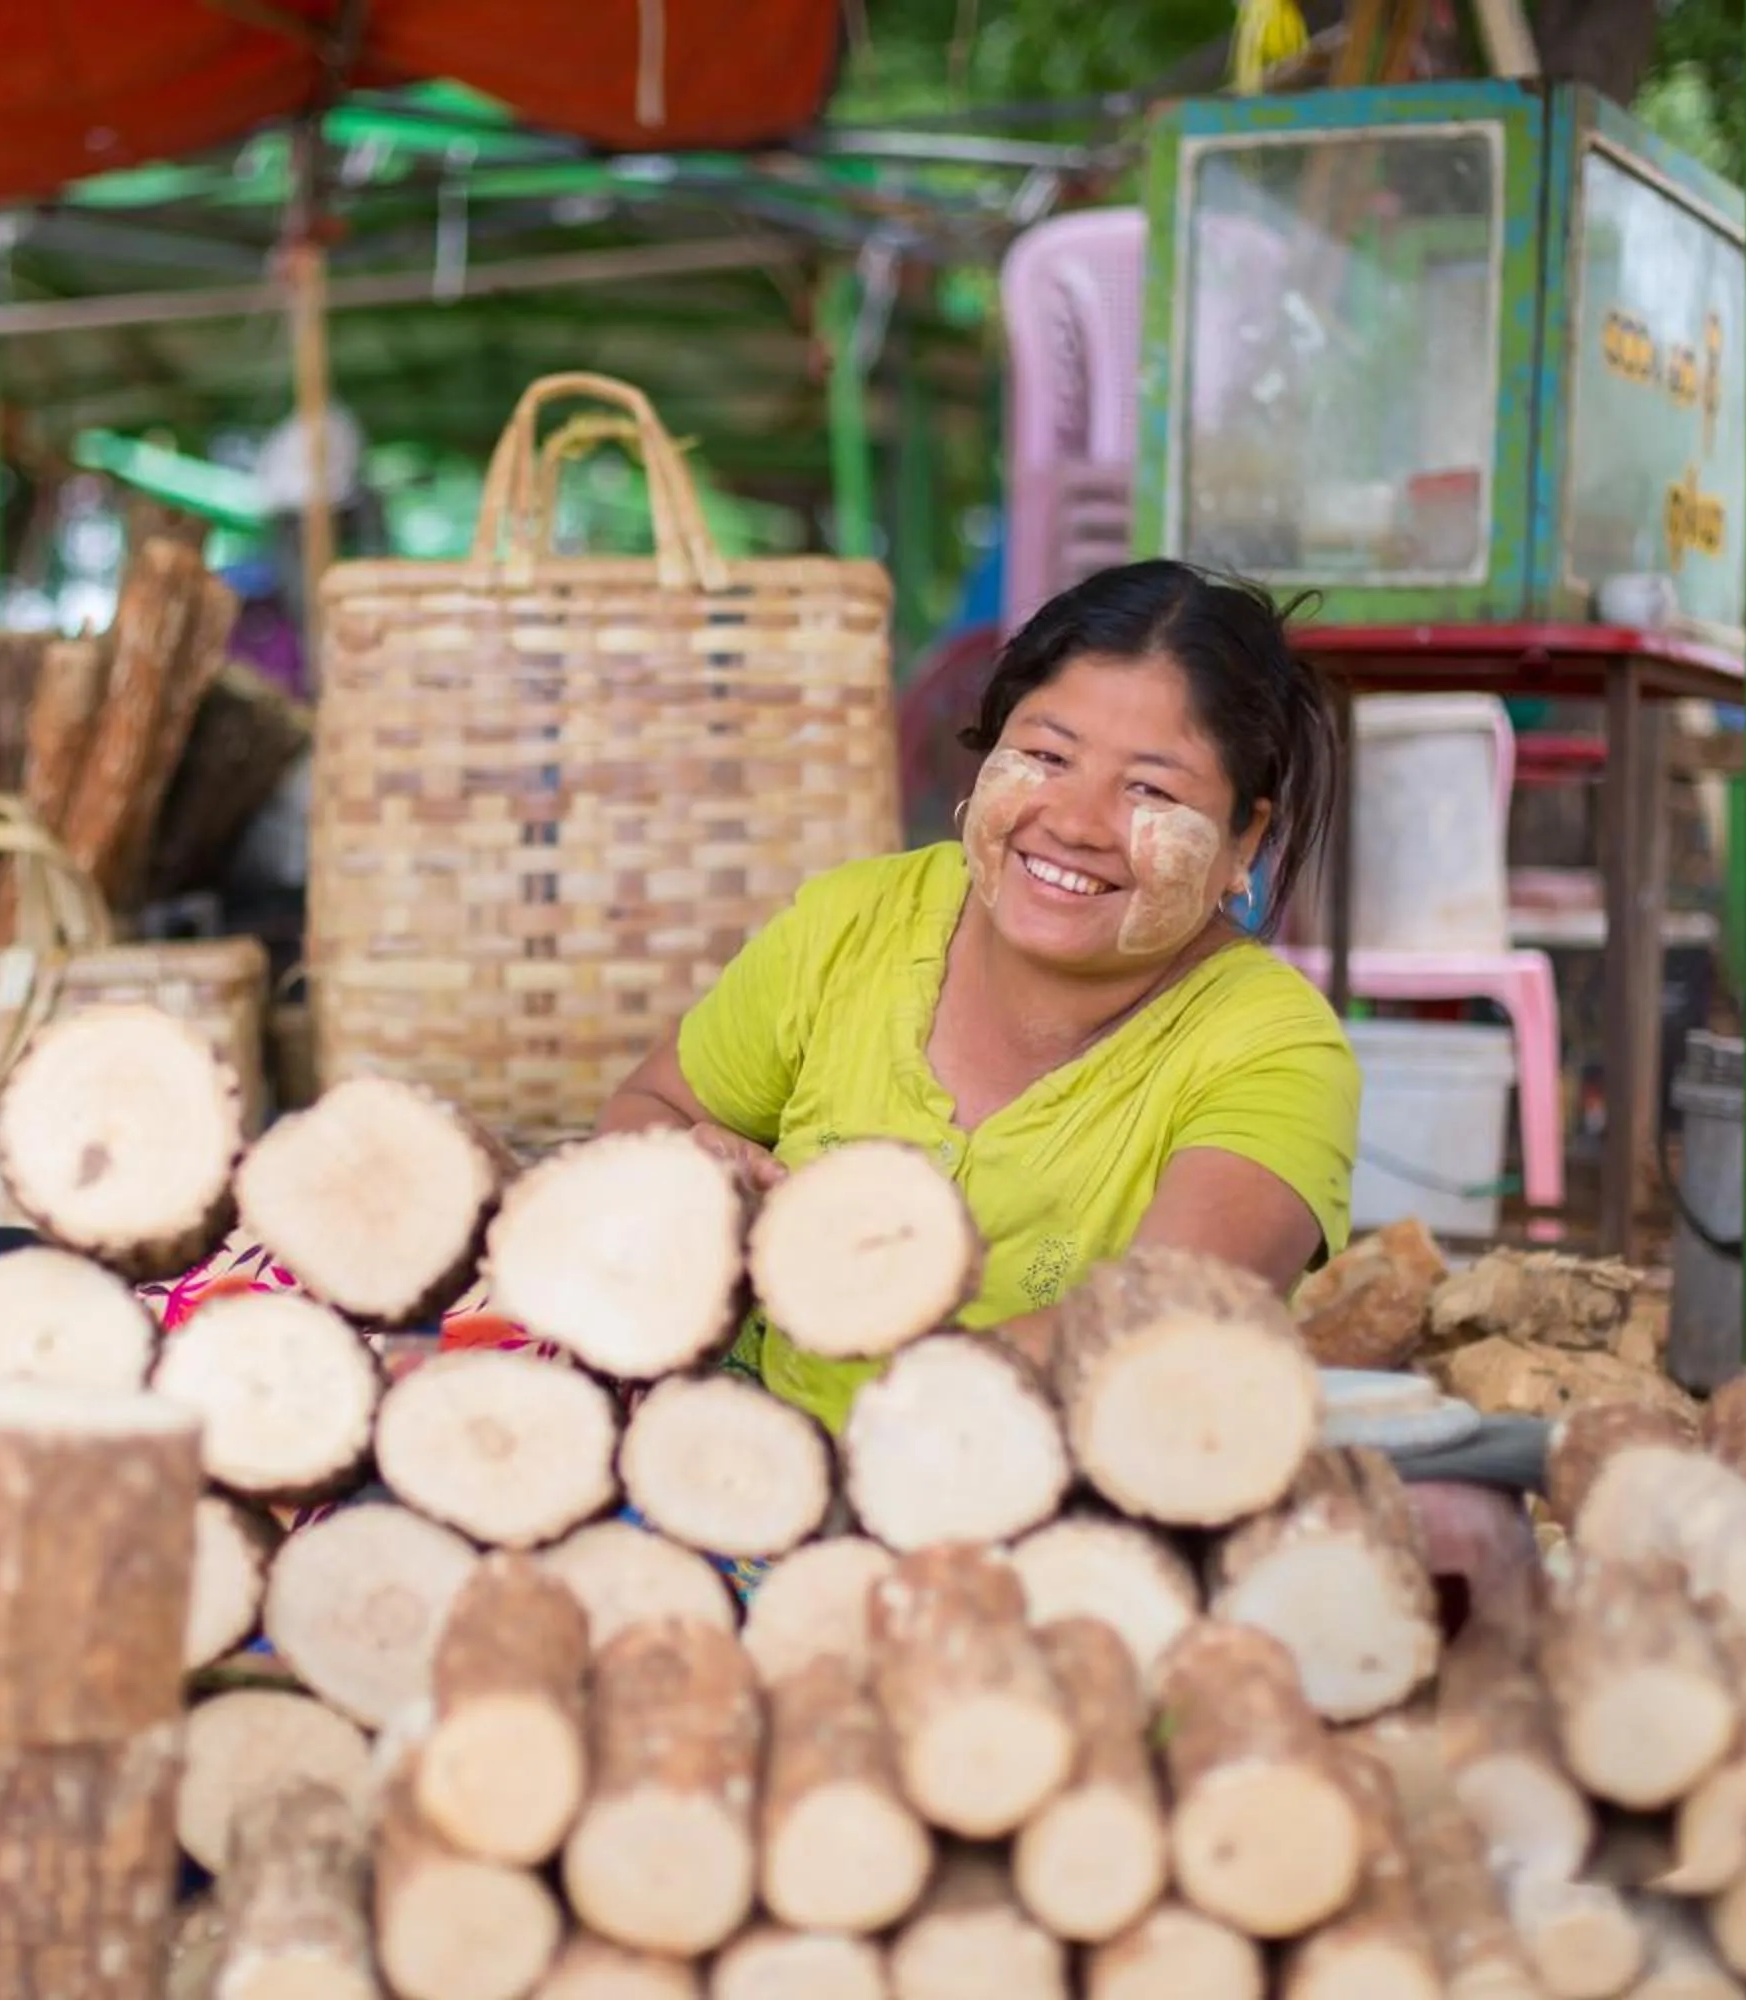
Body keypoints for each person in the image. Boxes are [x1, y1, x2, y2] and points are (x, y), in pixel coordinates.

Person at [596, 557, 1537, 1610]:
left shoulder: (1275, 1048)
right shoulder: (849, 924)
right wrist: (684, 1166)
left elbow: (1153, 1319)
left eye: (1150, 788)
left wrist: (892, 1444)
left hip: (1070, 1547)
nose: (1077, 821)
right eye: (1045, 755)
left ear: (1246, 838)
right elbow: (646, 1112)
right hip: (738, 1487)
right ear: (987, 755)